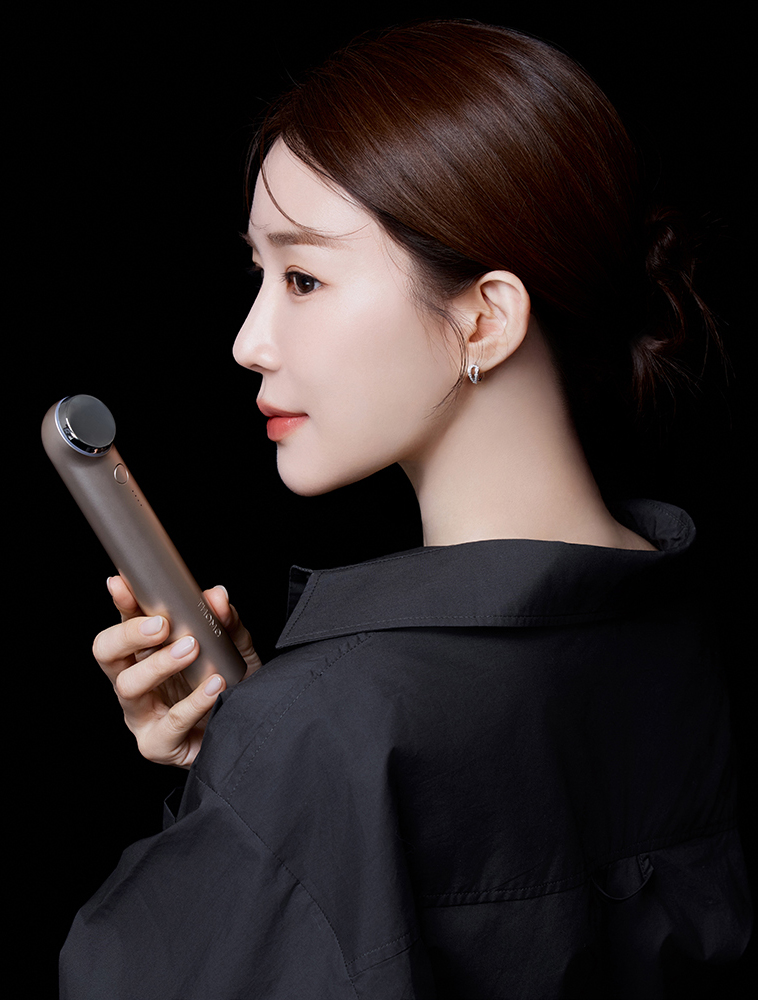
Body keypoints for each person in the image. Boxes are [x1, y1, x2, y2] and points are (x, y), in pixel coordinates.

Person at [60, 20, 751, 998]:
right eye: (260, 274)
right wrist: (245, 765)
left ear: (485, 317)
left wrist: (275, 770)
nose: (249, 341)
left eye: (303, 277)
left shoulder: (330, 726)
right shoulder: (676, 619)